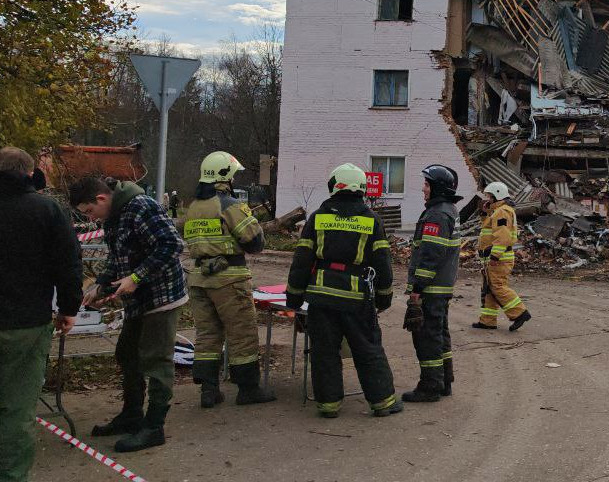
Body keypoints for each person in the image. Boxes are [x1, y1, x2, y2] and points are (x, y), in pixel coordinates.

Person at [70, 176, 187, 453]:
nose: (91, 217)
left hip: (162, 296)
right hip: (139, 301)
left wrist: (137, 276)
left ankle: (154, 427)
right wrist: (100, 286)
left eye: (89, 211)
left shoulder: (140, 206)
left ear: (101, 199)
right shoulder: (113, 217)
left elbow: (172, 245)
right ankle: (132, 415)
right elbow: (118, 258)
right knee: (127, 353)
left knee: (156, 360)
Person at [287, 163, 400, 418]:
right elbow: (383, 262)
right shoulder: (371, 219)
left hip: (322, 299)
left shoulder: (318, 217)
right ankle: (383, 403)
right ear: (361, 188)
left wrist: (293, 295)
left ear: (333, 186)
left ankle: (328, 406)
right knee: (368, 349)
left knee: (324, 352)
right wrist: (384, 297)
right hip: (357, 299)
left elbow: (302, 260)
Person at [0, 148, 82, 482]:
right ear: (29, 173)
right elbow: (68, 264)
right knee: (17, 410)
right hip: (27, 324)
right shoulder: (47, 210)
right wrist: (68, 309)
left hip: (25, 320)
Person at [183, 151, 275, 408]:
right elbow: (254, 243)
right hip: (229, 280)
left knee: (208, 335)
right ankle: (248, 389)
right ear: (225, 175)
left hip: (200, 279)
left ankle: (209, 391)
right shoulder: (229, 205)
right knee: (242, 334)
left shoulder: (193, 207)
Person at [401, 164, 462, 403]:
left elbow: (430, 255)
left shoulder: (437, 214)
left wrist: (417, 288)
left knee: (426, 337)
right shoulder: (448, 210)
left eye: (427, 184)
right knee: (439, 335)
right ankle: (444, 381)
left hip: (431, 289)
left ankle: (430, 386)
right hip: (441, 288)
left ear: (437, 187)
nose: (423, 189)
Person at [472, 182, 531, 332]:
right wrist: (485, 212)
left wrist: (495, 256)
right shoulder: (497, 211)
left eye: (490, 197)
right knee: (489, 289)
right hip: (493, 258)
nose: (488, 199)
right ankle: (488, 321)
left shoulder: (502, 212)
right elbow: (488, 229)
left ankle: (520, 313)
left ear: (496, 195)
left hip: (499, 258)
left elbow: (503, 236)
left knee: (497, 286)